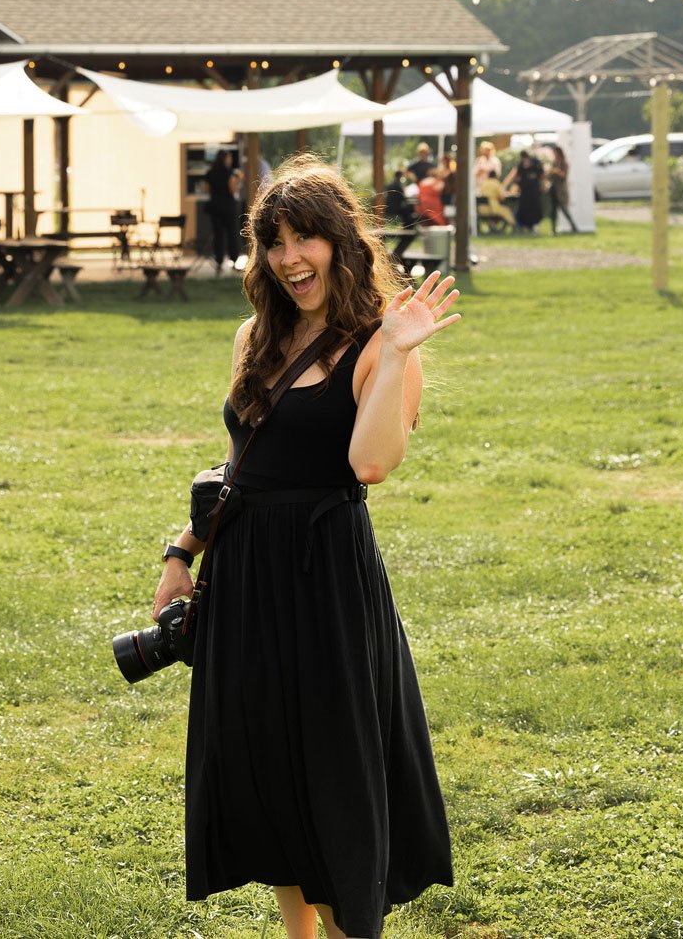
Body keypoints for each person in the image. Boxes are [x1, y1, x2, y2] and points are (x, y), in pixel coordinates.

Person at [152, 155, 458, 939]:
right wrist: (181, 551)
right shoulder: (256, 335)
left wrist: (394, 352)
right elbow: (240, 464)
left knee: (330, 770)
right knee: (263, 764)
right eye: (274, 241)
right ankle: (298, 933)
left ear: (339, 242)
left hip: (324, 581)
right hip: (247, 573)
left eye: (306, 238)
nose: (290, 257)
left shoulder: (379, 345)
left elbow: (371, 463)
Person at [204, 150, 242, 274]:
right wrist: (239, 179)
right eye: (229, 158)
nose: (230, 160)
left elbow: (206, 189)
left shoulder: (210, 173)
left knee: (218, 235)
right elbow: (232, 190)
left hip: (215, 207)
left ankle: (219, 262)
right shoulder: (230, 173)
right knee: (232, 234)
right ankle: (233, 260)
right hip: (228, 207)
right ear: (225, 159)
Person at [503, 149, 544, 233]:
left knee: (534, 208)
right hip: (524, 191)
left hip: (533, 191)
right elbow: (517, 177)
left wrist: (535, 176)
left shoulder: (535, 163)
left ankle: (534, 226)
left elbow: (540, 173)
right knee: (524, 209)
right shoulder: (521, 165)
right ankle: (525, 227)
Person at [544, 145, 578, 235]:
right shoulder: (554, 163)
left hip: (560, 191)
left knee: (564, 210)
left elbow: (564, 176)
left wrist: (557, 172)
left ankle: (574, 227)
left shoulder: (564, 163)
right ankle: (553, 229)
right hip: (553, 190)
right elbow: (548, 176)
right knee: (553, 211)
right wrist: (550, 172)